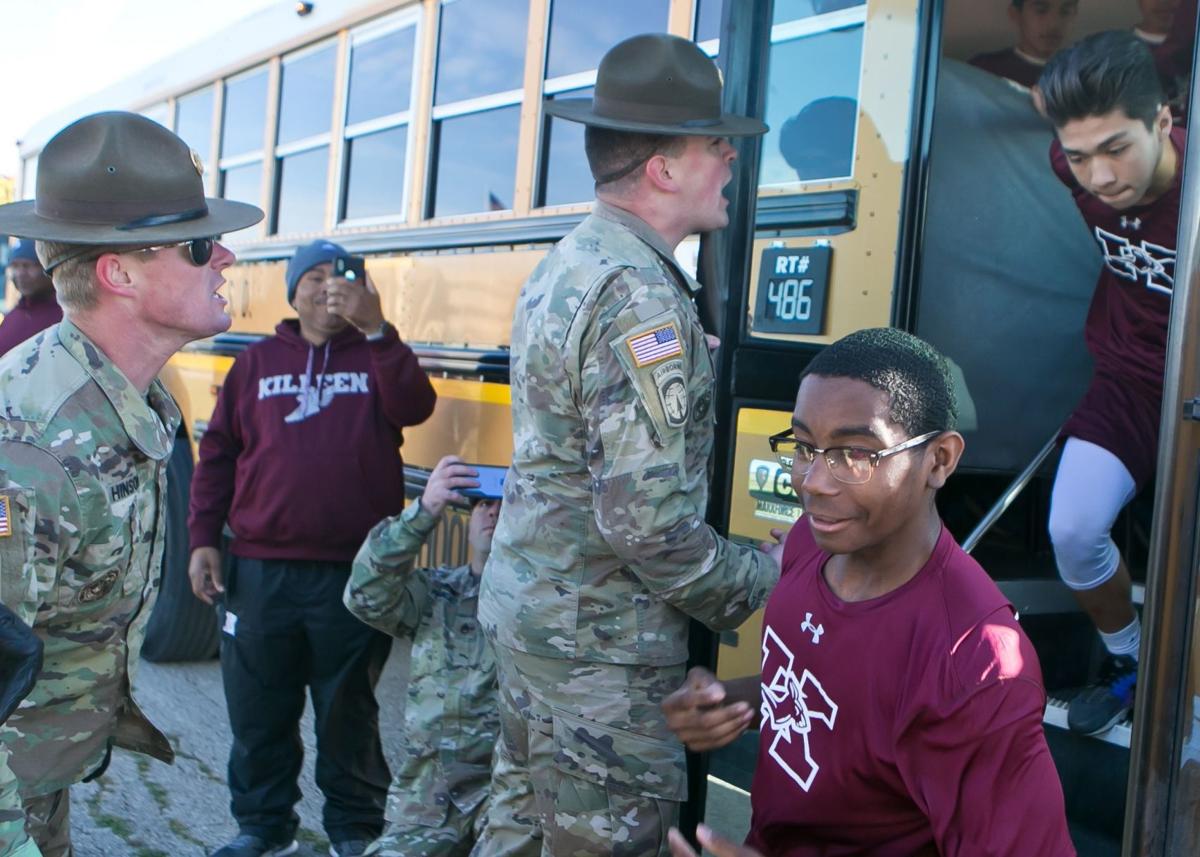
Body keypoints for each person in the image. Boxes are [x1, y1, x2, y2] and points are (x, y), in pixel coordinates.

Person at [473, 33, 781, 856]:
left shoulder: (574, 262)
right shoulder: (640, 295)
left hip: (536, 622)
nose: (727, 156)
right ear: (664, 169)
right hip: (598, 657)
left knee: (518, 833)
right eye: (713, 142)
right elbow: (647, 526)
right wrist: (777, 576)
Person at [663, 328, 1074, 857]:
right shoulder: (811, 541)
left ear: (940, 460)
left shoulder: (975, 667)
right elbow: (833, 689)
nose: (812, 481)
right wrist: (734, 701)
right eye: (804, 446)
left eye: (855, 453)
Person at [0, 110, 263, 857]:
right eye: (200, 245)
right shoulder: (27, 453)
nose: (228, 258)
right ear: (118, 272)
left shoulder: (128, 395)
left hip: (39, 777)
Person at [187, 239, 437, 857]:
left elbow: (416, 405)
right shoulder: (256, 363)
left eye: (344, 277)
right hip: (259, 570)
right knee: (258, 713)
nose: (329, 287)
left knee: (348, 712)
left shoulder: (379, 354)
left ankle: (355, 831)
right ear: (293, 290)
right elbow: (217, 456)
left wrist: (378, 330)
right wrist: (202, 540)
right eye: (315, 278)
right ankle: (264, 830)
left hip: (354, 575)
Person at [1038, 30, 1183, 734]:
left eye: (1116, 147)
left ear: (1165, 119)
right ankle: (1129, 660)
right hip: (1131, 375)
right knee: (1073, 526)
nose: (1097, 175)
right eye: (1079, 154)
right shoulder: (1069, 169)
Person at [344, 455, 502, 857]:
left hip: (511, 796)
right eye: (484, 503)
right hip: (431, 797)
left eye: (507, 503)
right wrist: (424, 511)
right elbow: (364, 594)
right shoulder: (437, 593)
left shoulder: (546, 607)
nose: (494, 512)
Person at [969, 0, 1079, 90]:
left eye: (1066, 12)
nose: (1054, 23)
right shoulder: (984, 68)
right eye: (1041, 11)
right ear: (1015, 14)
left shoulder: (1082, 75)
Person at [0, 239, 62, 357]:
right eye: (15, 266)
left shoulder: (66, 315)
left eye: (27, 266)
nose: (20, 273)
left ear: (47, 268)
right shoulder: (14, 315)